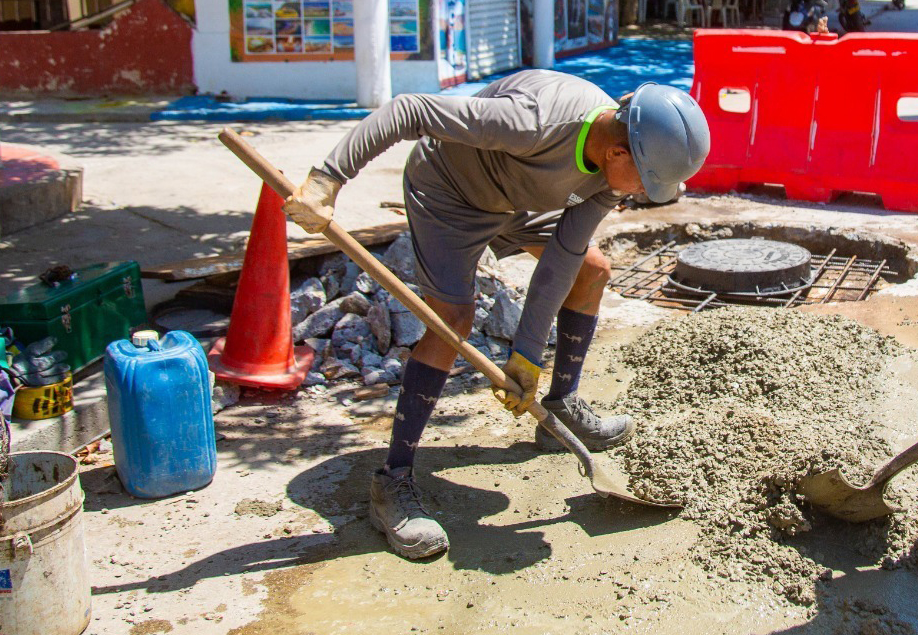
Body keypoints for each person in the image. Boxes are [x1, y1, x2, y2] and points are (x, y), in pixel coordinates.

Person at [284, 72, 710, 560]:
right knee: (454, 321)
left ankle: (561, 409)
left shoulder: (612, 164)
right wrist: (327, 179)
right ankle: (393, 481)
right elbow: (408, 110)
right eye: (646, 181)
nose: (640, 193)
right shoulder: (535, 122)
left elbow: (562, 258)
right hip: (452, 194)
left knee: (591, 271)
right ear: (618, 152)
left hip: (521, 203)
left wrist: (526, 356)